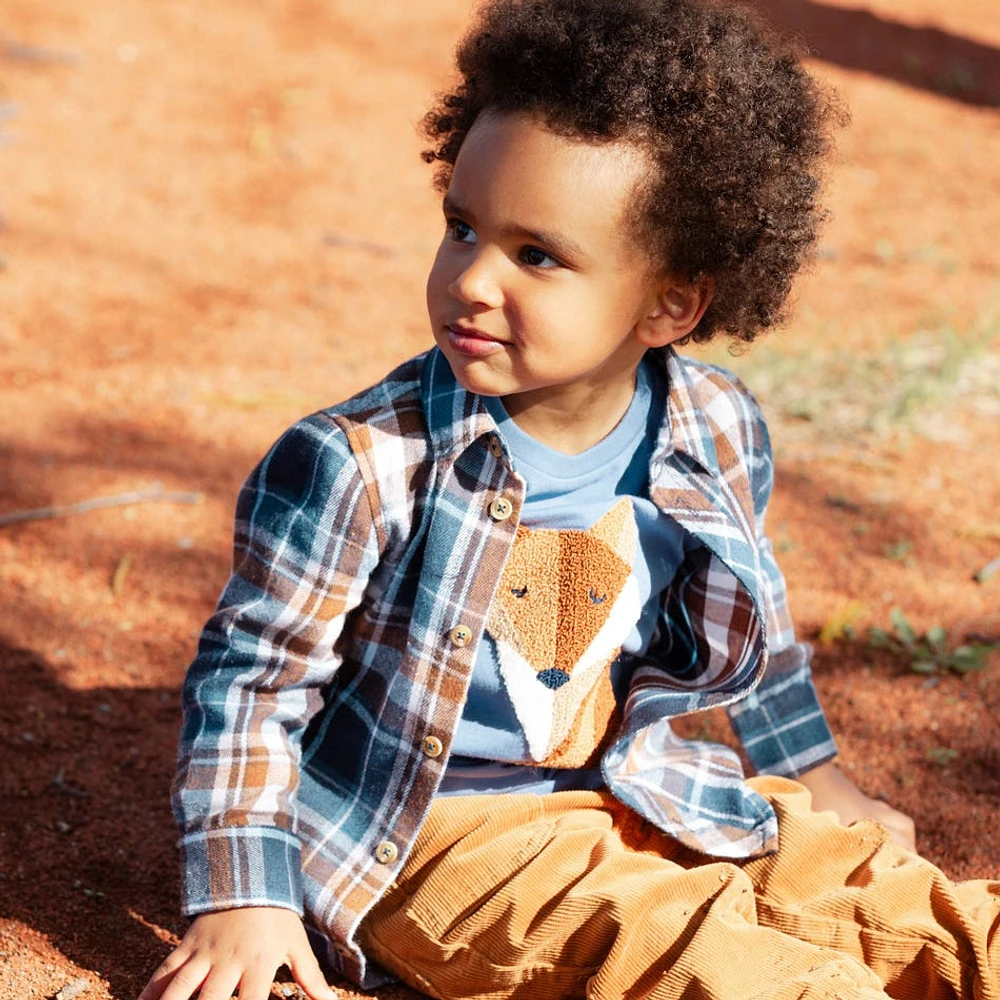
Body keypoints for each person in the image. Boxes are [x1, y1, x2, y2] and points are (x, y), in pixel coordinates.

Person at [139, 1, 1000, 998]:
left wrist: (813, 773)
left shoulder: (712, 425)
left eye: (535, 255)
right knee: (706, 955)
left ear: (672, 301)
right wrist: (243, 895)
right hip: (433, 836)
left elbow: (752, 621)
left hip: (639, 780)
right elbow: (248, 685)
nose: (471, 279)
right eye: (462, 228)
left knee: (893, 902)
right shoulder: (364, 461)